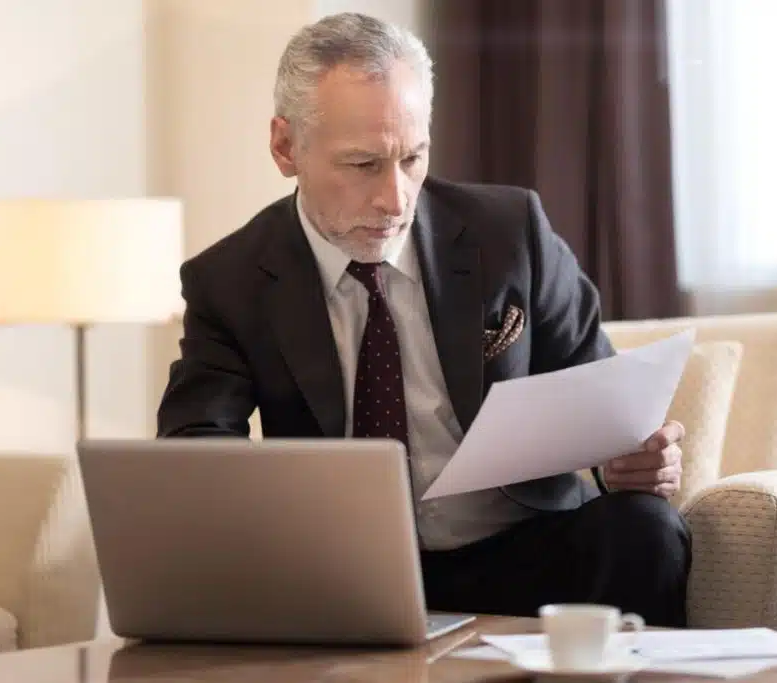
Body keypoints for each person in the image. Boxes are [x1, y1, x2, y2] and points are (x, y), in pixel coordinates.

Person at [156, 12, 691, 627]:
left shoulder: (510, 232)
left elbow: (601, 399)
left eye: (412, 158)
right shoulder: (230, 280)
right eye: (363, 164)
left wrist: (632, 459)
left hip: (520, 546)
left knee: (645, 530)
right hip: (341, 573)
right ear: (285, 147)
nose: (396, 199)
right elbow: (196, 452)